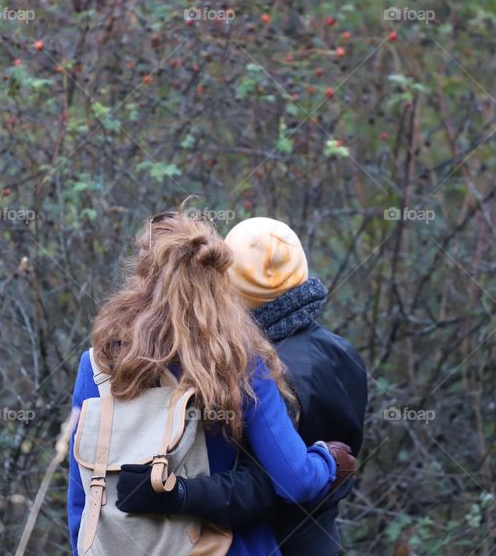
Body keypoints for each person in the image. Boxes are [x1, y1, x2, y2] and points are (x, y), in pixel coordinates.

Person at [67, 210, 356, 556]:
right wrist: (326, 460)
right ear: (220, 278)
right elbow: (294, 480)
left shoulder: (99, 364)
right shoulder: (239, 360)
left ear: (142, 275)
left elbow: (83, 494)